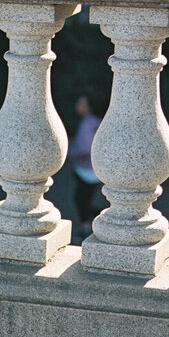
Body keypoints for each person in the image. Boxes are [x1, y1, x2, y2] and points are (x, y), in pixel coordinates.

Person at [70, 94, 104, 237]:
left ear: (89, 106)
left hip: (86, 169)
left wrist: (71, 151)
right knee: (84, 197)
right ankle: (93, 217)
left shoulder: (87, 124)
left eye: (81, 103)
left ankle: (86, 225)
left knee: (81, 198)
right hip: (96, 167)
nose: (77, 105)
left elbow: (85, 148)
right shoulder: (97, 121)